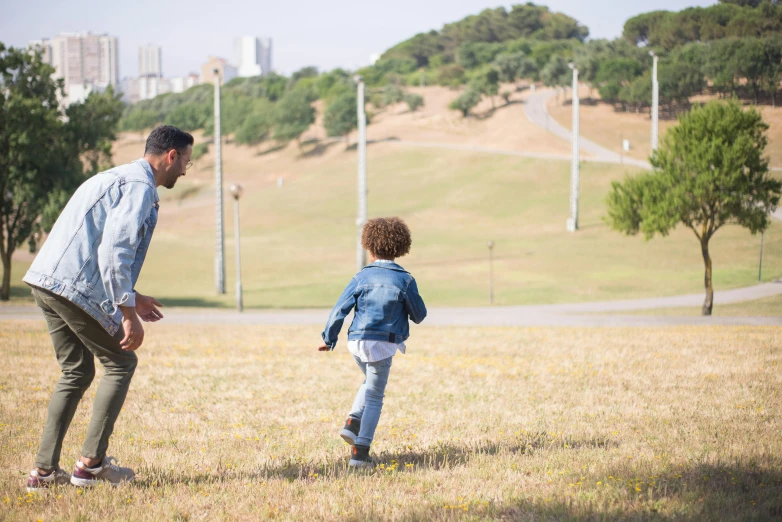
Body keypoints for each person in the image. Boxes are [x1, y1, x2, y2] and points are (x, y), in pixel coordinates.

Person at [23, 125, 193, 491]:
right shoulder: (140, 187)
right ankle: (91, 465)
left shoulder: (115, 176)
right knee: (121, 362)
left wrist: (133, 295)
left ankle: (44, 473)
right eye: (186, 163)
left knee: (76, 372)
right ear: (171, 156)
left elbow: (96, 245)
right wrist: (127, 313)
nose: (184, 171)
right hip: (73, 287)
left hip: (47, 280)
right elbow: (114, 251)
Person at [318, 217, 427, 468]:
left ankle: (353, 421)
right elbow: (419, 315)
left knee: (369, 381)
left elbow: (338, 311)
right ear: (400, 247)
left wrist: (329, 339)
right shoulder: (405, 280)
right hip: (382, 344)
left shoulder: (360, 278)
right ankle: (361, 453)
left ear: (370, 247)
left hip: (356, 342)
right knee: (376, 396)